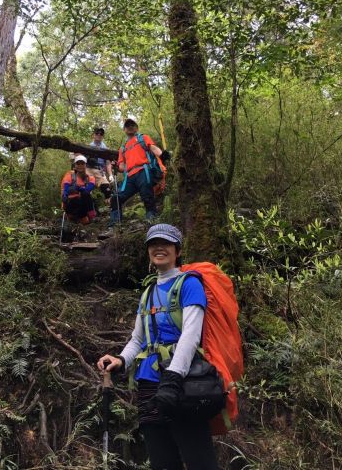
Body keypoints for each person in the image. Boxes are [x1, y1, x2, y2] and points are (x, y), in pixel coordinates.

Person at [97, 224, 218, 470]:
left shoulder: (190, 285)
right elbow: (139, 340)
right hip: (149, 386)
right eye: (153, 244)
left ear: (178, 250)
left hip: (184, 386)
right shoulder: (148, 292)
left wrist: (172, 379)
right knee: (162, 461)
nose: (159, 247)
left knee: (199, 460)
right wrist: (121, 360)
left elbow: (190, 337)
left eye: (166, 243)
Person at [110, 118, 163, 223]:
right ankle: (114, 225)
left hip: (144, 170)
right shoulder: (123, 148)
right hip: (130, 176)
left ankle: (151, 219)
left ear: (136, 127)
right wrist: (116, 166)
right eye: (127, 125)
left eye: (132, 125)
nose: (130, 127)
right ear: (124, 129)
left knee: (147, 195)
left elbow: (153, 148)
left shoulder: (143, 138)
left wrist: (162, 154)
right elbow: (122, 166)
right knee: (116, 198)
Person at [61, 155, 96, 224]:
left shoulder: (90, 177)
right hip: (71, 203)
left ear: (86, 165)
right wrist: (65, 194)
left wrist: (79, 189)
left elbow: (88, 189)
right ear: (75, 165)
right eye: (78, 163)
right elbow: (66, 188)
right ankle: (71, 216)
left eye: (82, 163)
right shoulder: (69, 176)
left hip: (83, 205)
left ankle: (90, 216)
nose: (80, 166)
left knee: (85, 194)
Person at [86, 127, 113, 202]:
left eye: (101, 134)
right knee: (86, 190)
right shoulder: (88, 147)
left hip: (99, 170)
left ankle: (111, 207)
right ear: (93, 135)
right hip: (88, 169)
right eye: (97, 133)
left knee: (107, 189)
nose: (99, 135)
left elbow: (108, 163)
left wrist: (110, 175)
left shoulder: (105, 148)